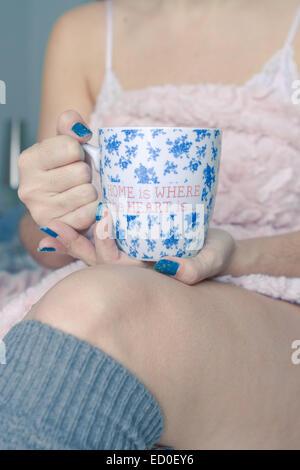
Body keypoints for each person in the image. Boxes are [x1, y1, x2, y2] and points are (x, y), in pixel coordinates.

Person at [1, 0, 300, 449]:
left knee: (91, 309)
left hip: (270, 312)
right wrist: (56, 217)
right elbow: (40, 237)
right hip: (98, 280)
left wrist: (235, 254)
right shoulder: (81, 33)